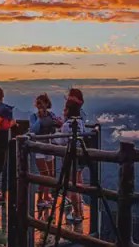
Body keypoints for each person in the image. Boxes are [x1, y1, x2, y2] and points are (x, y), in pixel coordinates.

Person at [56, 88, 86, 222]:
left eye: (65, 109)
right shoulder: (80, 122)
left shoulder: (67, 125)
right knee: (78, 184)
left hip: (69, 157)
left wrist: (57, 133)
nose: (63, 111)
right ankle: (80, 212)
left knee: (72, 185)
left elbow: (62, 141)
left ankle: (76, 214)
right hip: (80, 157)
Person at [29, 93, 63, 208]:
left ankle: (47, 196)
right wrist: (39, 119)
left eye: (42, 102)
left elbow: (54, 130)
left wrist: (58, 124)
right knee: (45, 173)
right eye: (38, 103)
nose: (40, 105)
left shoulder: (51, 115)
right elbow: (33, 130)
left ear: (47, 104)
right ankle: (39, 199)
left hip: (49, 145)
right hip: (38, 146)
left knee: (51, 174)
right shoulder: (34, 116)